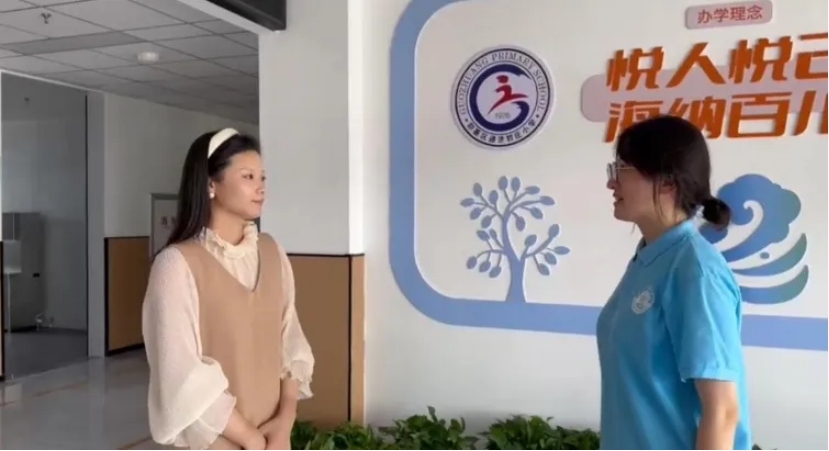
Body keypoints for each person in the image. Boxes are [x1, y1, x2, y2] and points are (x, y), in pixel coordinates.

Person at [142, 128, 315, 450]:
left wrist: (285, 422)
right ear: (211, 184)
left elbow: (290, 340)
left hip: (275, 439)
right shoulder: (176, 264)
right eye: (248, 176)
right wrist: (251, 440)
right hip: (218, 440)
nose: (261, 187)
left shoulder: (271, 250)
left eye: (262, 177)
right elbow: (181, 375)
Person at [596, 115, 752, 450]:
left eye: (621, 169)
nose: (611, 183)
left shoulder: (695, 270)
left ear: (667, 182)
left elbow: (723, 411)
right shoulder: (650, 258)